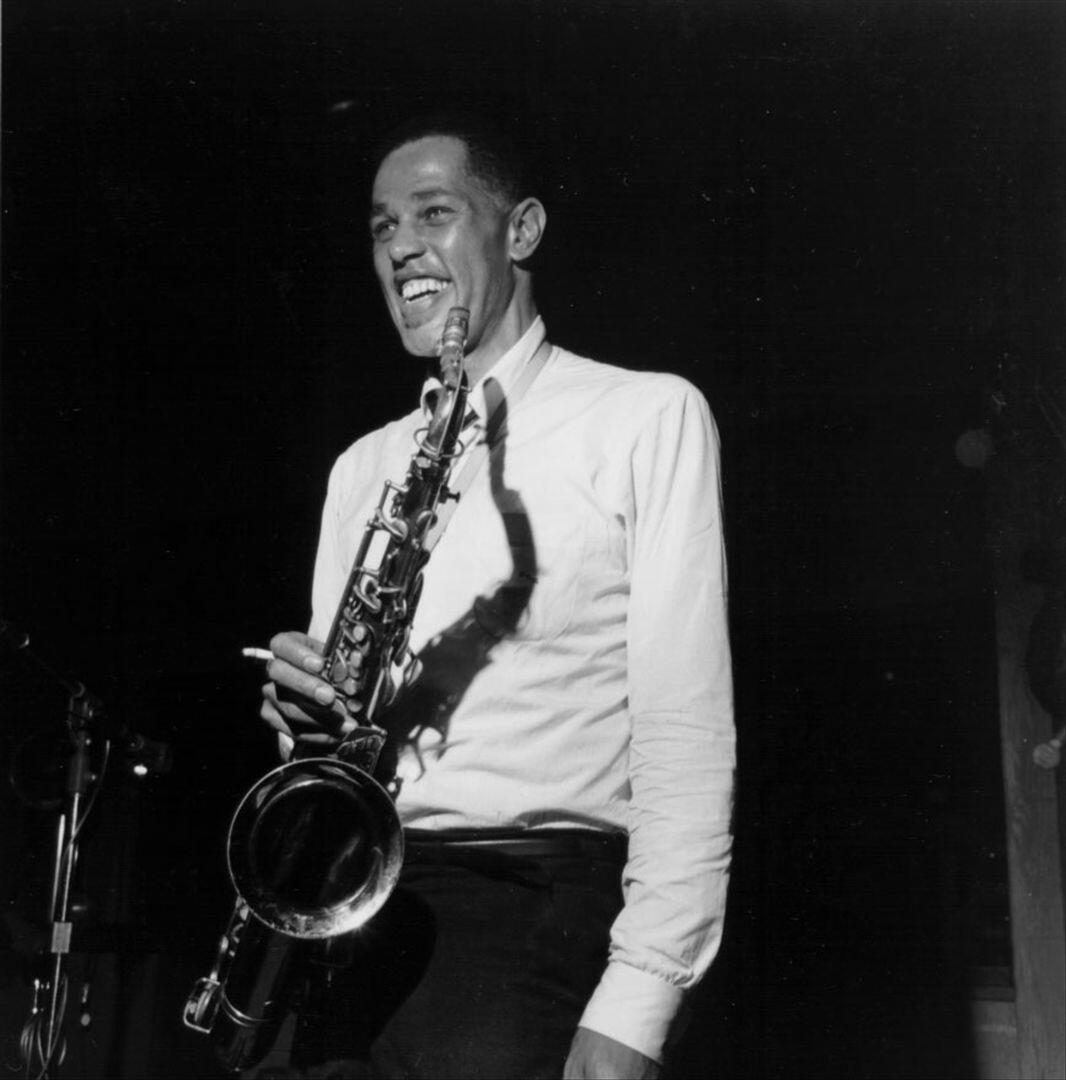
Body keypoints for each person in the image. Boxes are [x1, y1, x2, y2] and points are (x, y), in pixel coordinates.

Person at [258, 111, 735, 1080]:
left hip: (524, 914)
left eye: (432, 214)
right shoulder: (362, 467)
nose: (400, 248)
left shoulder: (645, 416)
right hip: (346, 898)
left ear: (521, 231)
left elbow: (686, 735)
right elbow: (339, 746)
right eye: (382, 227)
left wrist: (641, 1000)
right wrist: (304, 718)